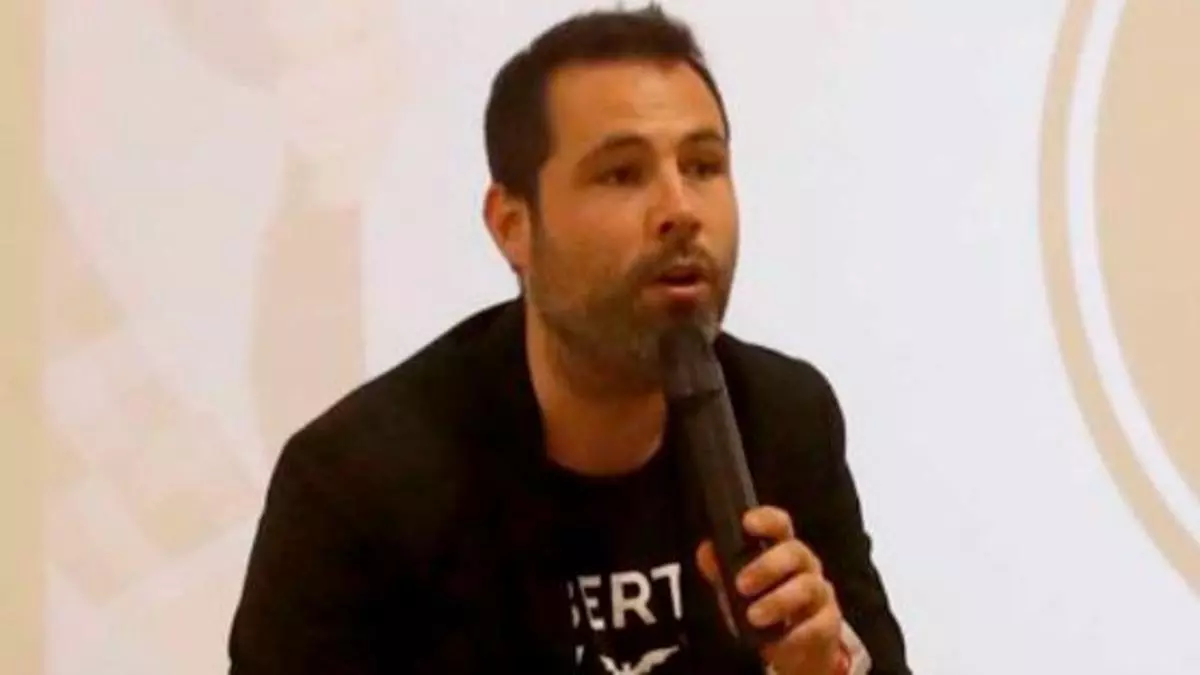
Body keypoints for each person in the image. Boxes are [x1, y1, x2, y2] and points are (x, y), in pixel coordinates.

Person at [228, 6, 911, 674]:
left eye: (703, 166)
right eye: (622, 173)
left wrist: (822, 668)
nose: (679, 209)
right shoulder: (357, 484)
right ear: (512, 225)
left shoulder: (784, 419)